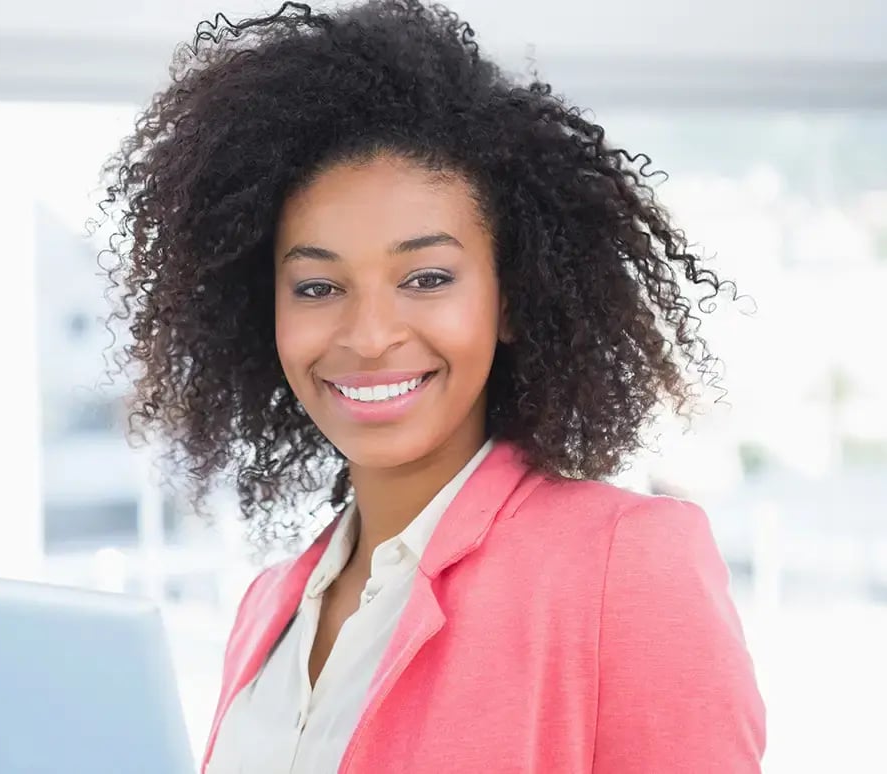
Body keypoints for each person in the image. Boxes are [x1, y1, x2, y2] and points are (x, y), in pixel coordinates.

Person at [99, 1, 766, 771]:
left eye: (426, 278)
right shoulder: (267, 611)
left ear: (510, 299)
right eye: (317, 287)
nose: (370, 335)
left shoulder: (624, 565)